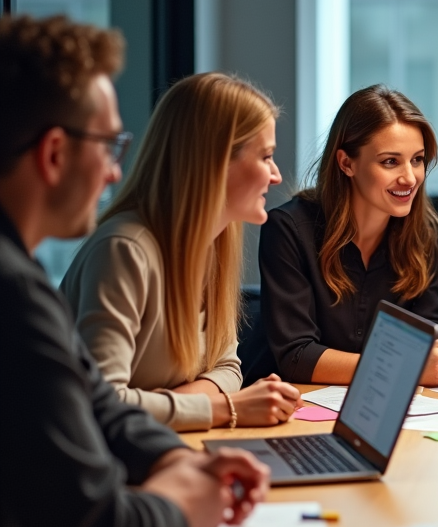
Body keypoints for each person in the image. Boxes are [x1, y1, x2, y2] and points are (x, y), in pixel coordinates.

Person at [0, 13, 268, 527]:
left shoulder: (22, 276)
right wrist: (186, 503)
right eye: (109, 144)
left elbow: (97, 401)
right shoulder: (16, 295)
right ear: (52, 154)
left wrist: (174, 461)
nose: (117, 169)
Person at [61, 73, 301, 432]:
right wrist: (225, 409)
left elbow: (227, 367)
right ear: (215, 162)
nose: (276, 175)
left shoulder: (213, 241)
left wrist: (175, 406)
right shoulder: (124, 251)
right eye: (266, 156)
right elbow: (102, 404)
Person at [259, 84, 438, 386]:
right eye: (390, 161)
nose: (409, 177)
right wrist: (407, 366)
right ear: (346, 163)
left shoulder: (426, 233)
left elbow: (431, 328)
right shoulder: (288, 229)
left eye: (417, 159)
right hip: (302, 410)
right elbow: (296, 356)